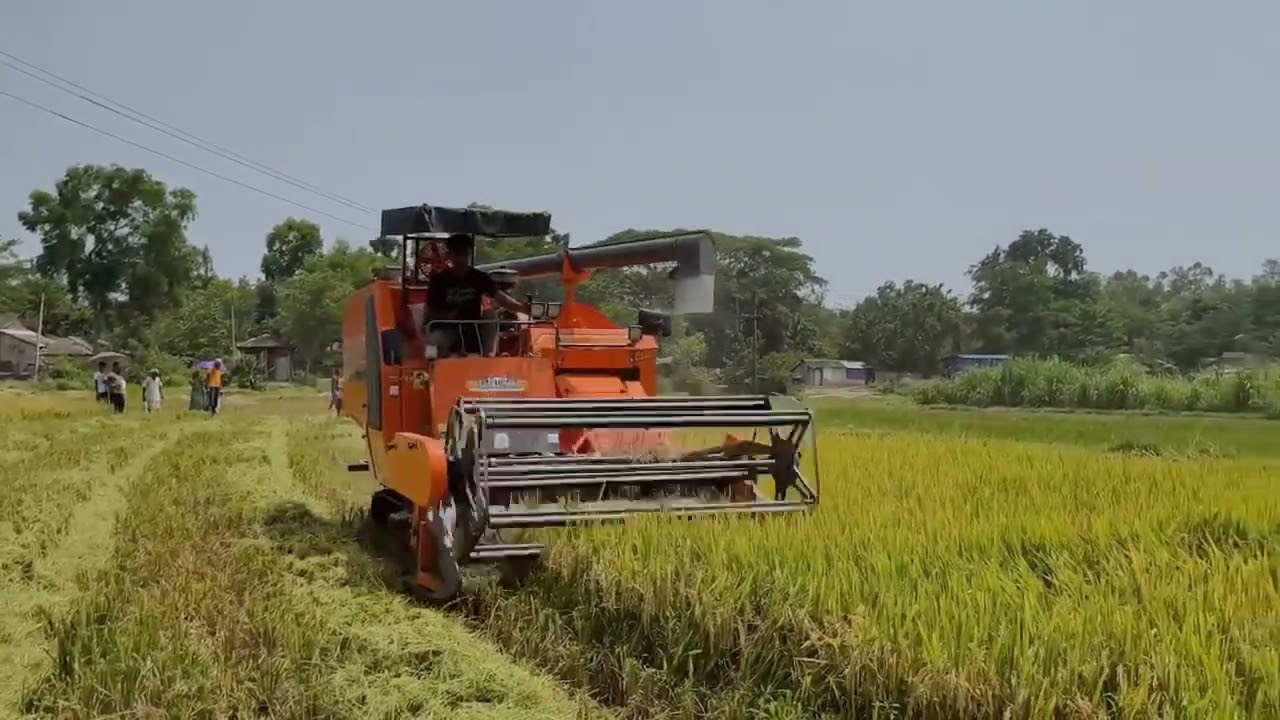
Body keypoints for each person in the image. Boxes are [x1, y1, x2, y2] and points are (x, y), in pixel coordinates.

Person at [425, 234, 530, 356]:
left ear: (470, 254)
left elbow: (502, 299)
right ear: (449, 255)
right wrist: (451, 316)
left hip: (473, 329)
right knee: (432, 341)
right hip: (446, 328)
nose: (462, 258)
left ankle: (487, 357)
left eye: (465, 253)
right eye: (458, 253)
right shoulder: (438, 281)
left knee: (491, 315)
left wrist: (523, 308)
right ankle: (430, 366)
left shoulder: (480, 278)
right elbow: (431, 313)